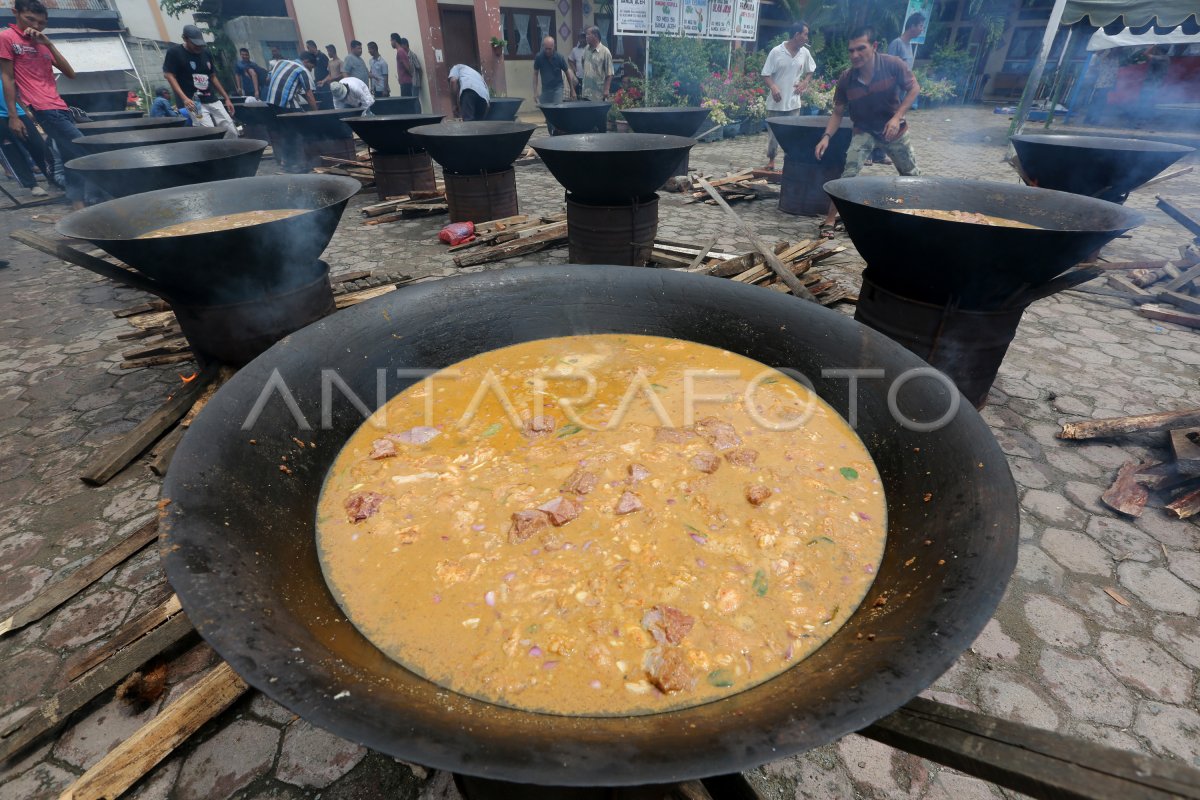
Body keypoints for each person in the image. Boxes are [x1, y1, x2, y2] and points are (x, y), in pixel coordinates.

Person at [815, 25, 920, 238]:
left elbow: (914, 88)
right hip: (864, 130)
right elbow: (837, 112)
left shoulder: (893, 65)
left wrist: (897, 117)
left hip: (894, 130)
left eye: (860, 48)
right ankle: (830, 220)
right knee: (848, 174)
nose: (855, 55)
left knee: (912, 176)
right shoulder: (846, 79)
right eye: (851, 50)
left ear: (874, 46)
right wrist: (826, 137)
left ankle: (919, 217)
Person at [0, 0, 93, 208]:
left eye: (42, 22)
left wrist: (48, 43)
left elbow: (71, 74)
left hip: (60, 106)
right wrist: (14, 116)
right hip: (42, 108)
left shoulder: (41, 42)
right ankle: (105, 195)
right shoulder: (7, 37)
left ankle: (78, 205)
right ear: (15, 12)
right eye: (30, 19)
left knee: (71, 156)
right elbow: (7, 78)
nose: (36, 25)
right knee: (85, 148)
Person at [163, 24, 238, 139]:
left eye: (200, 44)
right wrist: (185, 99)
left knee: (230, 128)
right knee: (207, 131)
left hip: (211, 98)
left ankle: (232, 151)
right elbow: (169, 76)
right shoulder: (175, 53)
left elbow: (212, 76)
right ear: (185, 39)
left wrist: (226, 98)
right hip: (194, 102)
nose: (198, 47)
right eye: (195, 44)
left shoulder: (206, 53)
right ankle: (213, 154)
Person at [761, 23, 816, 171]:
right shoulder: (776, 51)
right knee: (773, 135)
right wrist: (773, 87)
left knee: (792, 135)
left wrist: (804, 82)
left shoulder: (804, 53)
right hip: (776, 102)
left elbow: (811, 70)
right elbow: (766, 74)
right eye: (805, 34)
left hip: (793, 102)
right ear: (796, 35)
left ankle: (790, 162)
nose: (806, 37)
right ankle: (771, 160)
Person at [266, 53, 320, 172]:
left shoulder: (279, 62)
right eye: (311, 67)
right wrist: (317, 113)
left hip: (270, 101)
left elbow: (268, 79)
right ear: (306, 61)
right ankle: (292, 162)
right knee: (293, 132)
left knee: (285, 131)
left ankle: (285, 160)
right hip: (284, 104)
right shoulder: (302, 70)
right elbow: (309, 94)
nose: (310, 70)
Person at [0, 76, 50, 196]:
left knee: (38, 145)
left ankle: (53, 178)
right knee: (11, 151)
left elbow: (11, 89)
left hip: (16, 112)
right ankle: (32, 185)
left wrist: (25, 110)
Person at [533, 36, 575, 132]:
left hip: (557, 88)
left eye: (550, 49)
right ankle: (551, 132)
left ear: (554, 47)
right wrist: (535, 92)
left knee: (556, 110)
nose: (547, 51)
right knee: (548, 113)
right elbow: (535, 74)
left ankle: (558, 130)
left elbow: (568, 73)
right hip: (546, 89)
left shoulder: (559, 58)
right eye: (546, 49)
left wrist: (572, 90)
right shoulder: (539, 57)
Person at [580, 26, 613, 101]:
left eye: (588, 34)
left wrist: (606, 90)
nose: (586, 37)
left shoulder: (605, 52)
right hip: (586, 92)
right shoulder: (586, 49)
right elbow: (583, 64)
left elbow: (610, 73)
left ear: (595, 36)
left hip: (598, 93)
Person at [391, 34, 417, 98]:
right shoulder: (401, 51)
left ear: (394, 40)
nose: (391, 43)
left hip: (406, 83)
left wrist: (409, 75)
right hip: (404, 82)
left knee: (406, 103)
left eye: (391, 41)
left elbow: (408, 68)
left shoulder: (400, 51)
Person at [570, 33, 587, 97]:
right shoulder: (575, 50)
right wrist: (574, 69)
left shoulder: (589, 49)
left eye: (583, 38)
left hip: (588, 77)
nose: (582, 40)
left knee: (587, 97)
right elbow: (570, 60)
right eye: (580, 38)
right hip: (579, 77)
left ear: (586, 39)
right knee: (579, 96)